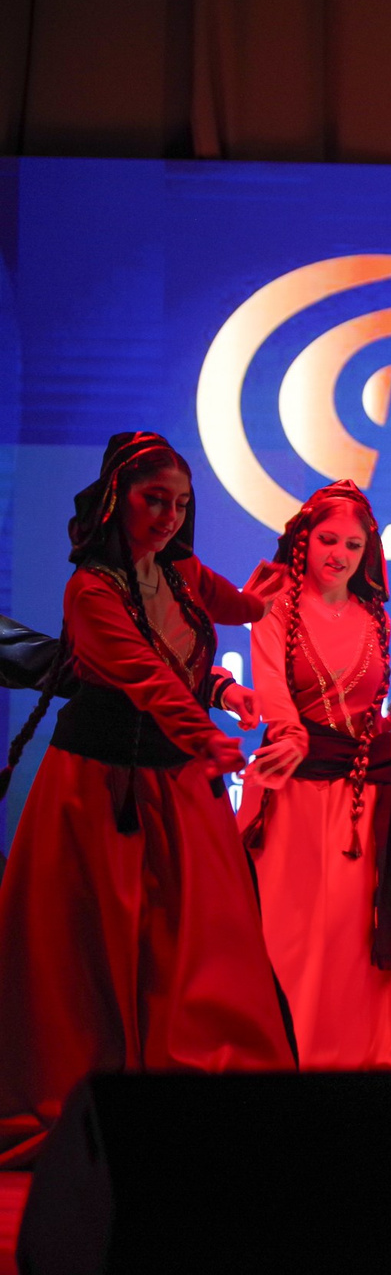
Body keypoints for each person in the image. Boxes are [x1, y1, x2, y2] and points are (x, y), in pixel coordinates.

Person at [0, 432, 295, 1166]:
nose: (168, 517)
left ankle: (190, 1095)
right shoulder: (90, 590)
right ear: (116, 499)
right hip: (101, 787)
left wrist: (242, 652)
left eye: (181, 504)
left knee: (197, 945)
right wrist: (207, 737)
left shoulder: (180, 571)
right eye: (154, 500)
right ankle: (97, 1099)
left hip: (178, 786)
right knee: (96, 948)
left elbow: (235, 612)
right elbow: (148, 679)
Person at [238, 481, 391, 1070]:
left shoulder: (373, 616)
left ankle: (353, 1058)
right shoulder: (276, 605)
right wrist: (289, 735)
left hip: (360, 796)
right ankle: (288, 1055)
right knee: (291, 932)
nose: (340, 555)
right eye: (329, 540)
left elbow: (370, 710)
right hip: (294, 789)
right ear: (305, 540)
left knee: (351, 935)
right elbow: (273, 691)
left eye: (353, 545)